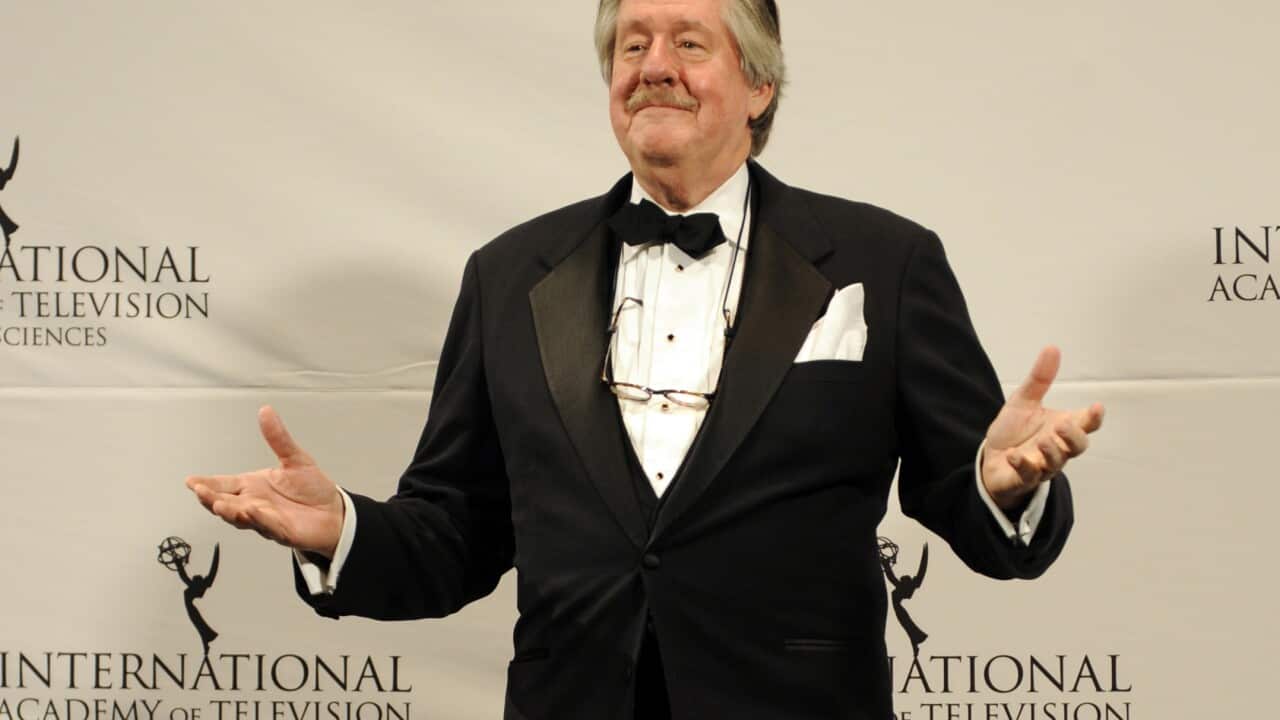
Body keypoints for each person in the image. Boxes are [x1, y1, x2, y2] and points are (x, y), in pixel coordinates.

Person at [186, 1, 1105, 717]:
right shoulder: (509, 275)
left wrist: (1005, 488)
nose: (653, 66)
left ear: (760, 85)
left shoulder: (884, 263)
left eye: (689, 44)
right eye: (632, 45)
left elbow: (970, 504)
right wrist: (343, 530)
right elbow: (458, 532)